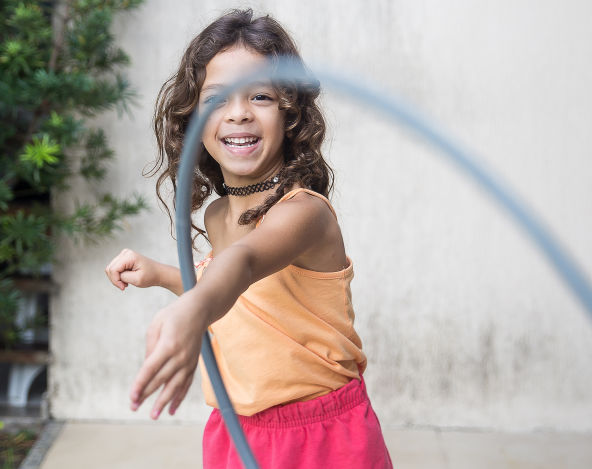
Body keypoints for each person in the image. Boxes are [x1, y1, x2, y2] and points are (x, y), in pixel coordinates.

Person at [104, 9, 392, 469]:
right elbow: (235, 294)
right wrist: (162, 275)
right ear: (192, 119)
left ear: (290, 113)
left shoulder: (305, 214)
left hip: (323, 435)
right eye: (216, 99)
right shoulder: (218, 213)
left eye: (260, 95)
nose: (238, 112)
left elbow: (244, 264)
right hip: (237, 429)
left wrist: (191, 312)